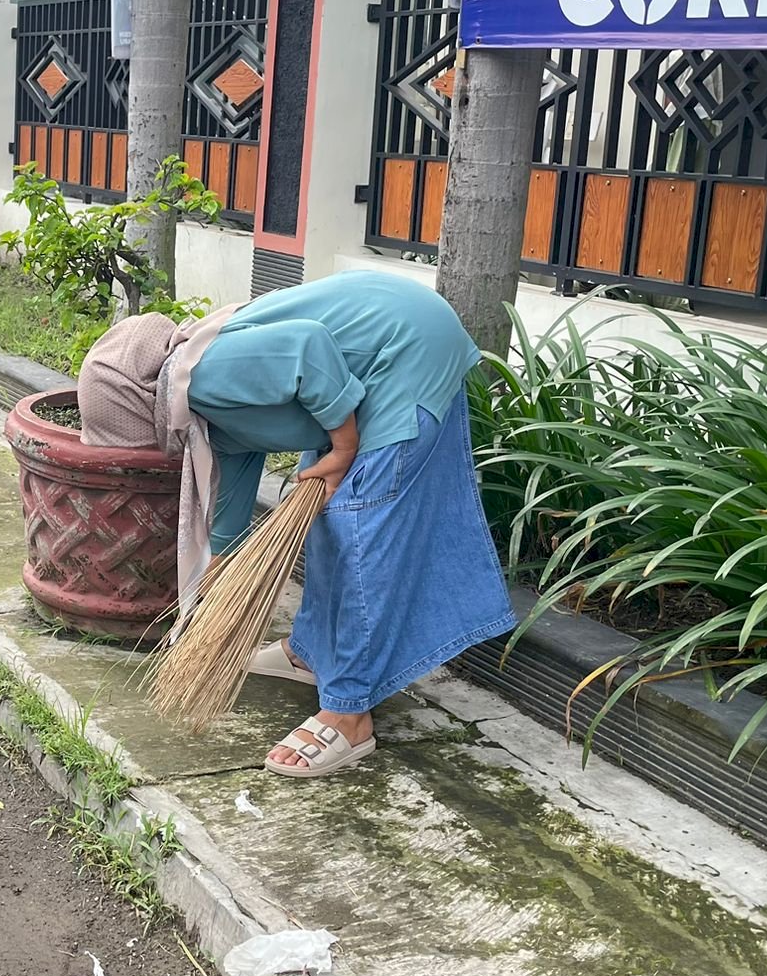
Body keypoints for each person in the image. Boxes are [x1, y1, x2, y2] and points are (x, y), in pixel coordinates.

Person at [76, 271, 515, 779]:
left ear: (135, 409)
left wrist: (345, 448)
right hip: (365, 368)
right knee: (324, 518)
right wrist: (221, 574)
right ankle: (309, 653)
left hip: (407, 352)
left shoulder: (205, 371)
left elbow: (307, 349)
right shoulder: (199, 398)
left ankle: (349, 714)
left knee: (359, 529)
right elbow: (237, 465)